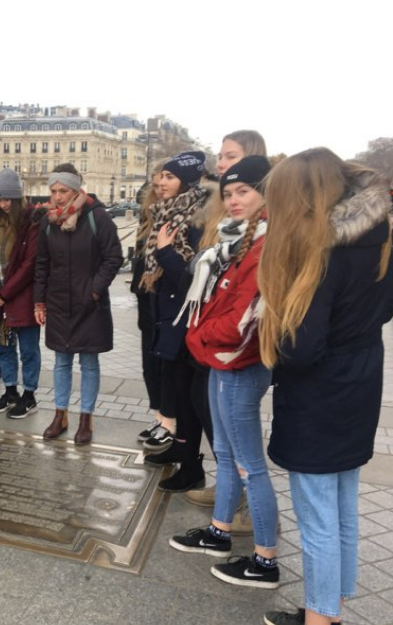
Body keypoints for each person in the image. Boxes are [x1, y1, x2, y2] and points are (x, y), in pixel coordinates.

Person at [258, 149, 393, 625]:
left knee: (317, 516)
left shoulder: (323, 252)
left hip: (318, 398)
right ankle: (330, 608)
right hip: (360, 383)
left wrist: (272, 335)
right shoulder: (378, 236)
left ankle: (319, 618)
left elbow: (301, 348)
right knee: (342, 508)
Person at [168, 156, 280, 589]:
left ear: (264, 194)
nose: (233, 200)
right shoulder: (238, 240)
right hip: (220, 360)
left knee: (250, 464)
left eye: (243, 192)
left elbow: (242, 319)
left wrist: (195, 336)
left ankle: (265, 560)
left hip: (239, 364)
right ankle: (219, 532)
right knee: (228, 455)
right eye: (229, 193)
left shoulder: (265, 245)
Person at [34, 164, 123, 445]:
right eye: (53, 191)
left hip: (89, 304)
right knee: (61, 361)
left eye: (63, 191)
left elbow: (113, 257)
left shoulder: (97, 217)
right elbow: (42, 263)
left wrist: (95, 291)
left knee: (88, 361)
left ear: (75, 189)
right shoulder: (49, 221)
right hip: (59, 302)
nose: (57, 196)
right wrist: (39, 301)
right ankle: (60, 415)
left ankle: (86, 418)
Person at [138, 151, 210, 491]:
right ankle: (181, 450)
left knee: (189, 395)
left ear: (186, 181)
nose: (160, 182)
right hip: (164, 315)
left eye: (169, 176)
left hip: (184, 318)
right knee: (176, 389)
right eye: (159, 176)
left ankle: (192, 466)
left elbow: (193, 279)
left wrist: (166, 252)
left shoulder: (197, 218)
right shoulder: (163, 213)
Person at [0, 168, 41, 418]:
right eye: (0, 198)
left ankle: (29, 395)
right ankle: (10, 391)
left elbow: (30, 264)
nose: (4, 204)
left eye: (8, 199)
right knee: (4, 347)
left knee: (28, 350)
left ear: (18, 198)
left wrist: (5, 293)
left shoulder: (30, 221)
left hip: (21, 298)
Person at [133, 161, 168, 442]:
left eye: (164, 183)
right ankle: (159, 417)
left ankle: (169, 422)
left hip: (167, 305)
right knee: (149, 367)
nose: (159, 190)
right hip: (147, 303)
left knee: (166, 369)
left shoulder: (180, 218)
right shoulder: (147, 220)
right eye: (155, 186)